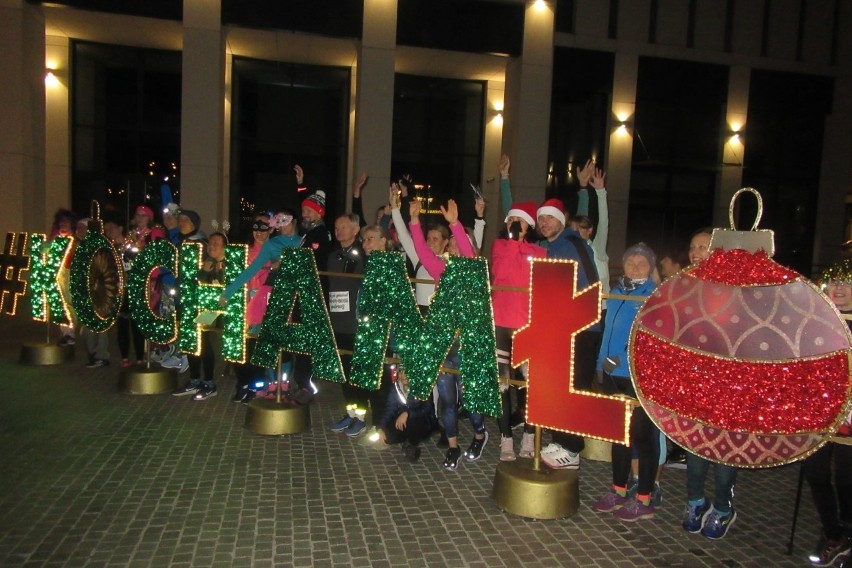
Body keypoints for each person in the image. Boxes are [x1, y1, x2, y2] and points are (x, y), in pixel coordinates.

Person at [407, 198, 483, 470]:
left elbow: (467, 251)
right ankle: (453, 447)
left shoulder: (473, 270)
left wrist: (455, 223)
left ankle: (479, 434)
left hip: (467, 345)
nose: (452, 248)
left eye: (455, 244)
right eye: (449, 245)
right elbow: (422, 253)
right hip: (443, 344)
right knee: (448, 401)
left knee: (470, 397)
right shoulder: (441, 270)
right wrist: (415, 222)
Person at [592, 243, 660, 521]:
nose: (634, 267)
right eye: (630, 262)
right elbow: (609, 331)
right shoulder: (617, 291)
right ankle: (618, 489)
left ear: (650, 267)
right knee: (619, 437)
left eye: (641, 263)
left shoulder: (653, 296)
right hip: (611, 377)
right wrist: (600, 364)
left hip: (636, 376)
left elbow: (646, 339)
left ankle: (645, 496)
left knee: (644, 438)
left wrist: (618, 359)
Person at [681, 226, 739, 540]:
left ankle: (723, 507)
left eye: (703, 247)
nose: (695, 252)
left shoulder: (734, 288)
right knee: (695, 445)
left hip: (728, 384)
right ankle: (695, 501)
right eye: (693, 246)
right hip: (695, 380)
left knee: (723, 449)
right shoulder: (686, 286)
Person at [536, 195, 600, 470]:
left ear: (561, 220)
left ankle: (572, 449)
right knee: (559, 386)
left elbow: (588, 285)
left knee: (574, 387)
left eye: (550, 217)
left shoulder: (573, 244)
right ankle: (561, 441)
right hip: (560, 326)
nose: (544, 222)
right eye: (541, 218)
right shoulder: (550, 245)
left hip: (582, 326)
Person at [490, 155, 547, 461]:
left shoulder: (539, 251)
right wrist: (513, 239)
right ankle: (505, 439)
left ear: (530, 226)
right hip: (501, 323)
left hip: (528, 325)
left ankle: (527, 435)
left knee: (528, 386)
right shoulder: (501, 246)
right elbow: (502, 273)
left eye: (520, 221)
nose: (514, 224)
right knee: (502, 385)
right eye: (511, 220)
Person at [803, 260, 852, 566]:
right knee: (815, 473)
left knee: (847, 478)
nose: (839, 290)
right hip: (819, 411)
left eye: (846, 284)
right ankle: (833, 531)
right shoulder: (815, 320)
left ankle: (847, 533)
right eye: (834, 283)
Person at [326, 213, 371, 437]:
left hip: (356, 324)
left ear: (356, 229)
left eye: (344, 227)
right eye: (336, 227)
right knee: (343, 371)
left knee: (357, 372)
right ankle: (350, 413)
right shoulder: (333, 255)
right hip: (337, 322)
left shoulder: (363, 255)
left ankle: (361, 417)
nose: (339, 230)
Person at [172, 230, 227, 400]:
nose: (212, 246)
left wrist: (219, 272)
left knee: (202, 340)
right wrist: (203, 271)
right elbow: (194, 285)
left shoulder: (229, 264)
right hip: (203, 308)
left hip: (219, 310)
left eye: (216, 244)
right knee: (192, 337)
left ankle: (209, 382)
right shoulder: (206, 263)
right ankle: (194, 380)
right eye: (210, 243)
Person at [375, 368, 438, 463]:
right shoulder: (395, 386)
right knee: (388, 437)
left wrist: (408, 413)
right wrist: (380, 427)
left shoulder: (421, 385)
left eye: (406, 372)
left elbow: (427, 408)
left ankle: (413, 445)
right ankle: (406, 437)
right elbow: (389, 408)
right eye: (400, 372)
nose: (403, 375)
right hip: (403, 420)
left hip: (423, 421)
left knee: (415, 423)